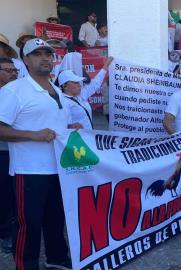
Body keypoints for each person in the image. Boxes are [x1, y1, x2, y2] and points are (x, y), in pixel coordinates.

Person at [0, 38, 81, 270]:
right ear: (25, 60)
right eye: (37, 54)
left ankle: (56, 257)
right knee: (30, 223)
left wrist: (70, 130)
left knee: (56, 219)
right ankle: (26, 265)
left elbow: (54, 126)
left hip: (60, 168)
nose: (45, 58)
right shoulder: (14, 90)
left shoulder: (56, 89)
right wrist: (34, 135)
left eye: (48, 53)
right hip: (30, 170)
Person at [59, 57, 113, 129]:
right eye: (75, 82)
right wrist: (70, 127)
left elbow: (95, 83)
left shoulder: (80, 95)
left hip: (88, 137)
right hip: (78, 139)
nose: (79, 84)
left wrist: (106, 65)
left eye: (78, 82)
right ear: (64, 86)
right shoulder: (63, 102)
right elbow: (62, 127)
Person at [0, 58, 18, 253]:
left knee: (14, 194)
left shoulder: (18, 93)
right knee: (4, 193)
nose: (13, 73)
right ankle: (5, 233)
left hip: (18, 151)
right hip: (2, 152)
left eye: (14, 70)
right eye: (8, 70)